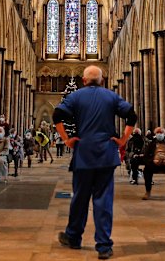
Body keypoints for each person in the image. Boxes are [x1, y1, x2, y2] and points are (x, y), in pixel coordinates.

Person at [53, 65, 137, 260]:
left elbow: (57, 115)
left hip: (83, 154)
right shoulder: (111, 96)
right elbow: (132, 115)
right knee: (103, 200)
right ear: (102, 80)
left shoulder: (75, 96)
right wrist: (123, 139)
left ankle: (74, 237)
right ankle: (104, 246)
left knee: (80, 198)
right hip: (106, 155)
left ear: (83, 81)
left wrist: (66, 139)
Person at [141, 127, 165, 200]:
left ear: (164, 134)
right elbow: (145, 157)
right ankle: (148, 191)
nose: (159, 134)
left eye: (161, 132)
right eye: (158, 132)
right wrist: (153, 161)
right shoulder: (151, 144)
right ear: (155, 134)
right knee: (146, 170)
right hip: (154, 164)